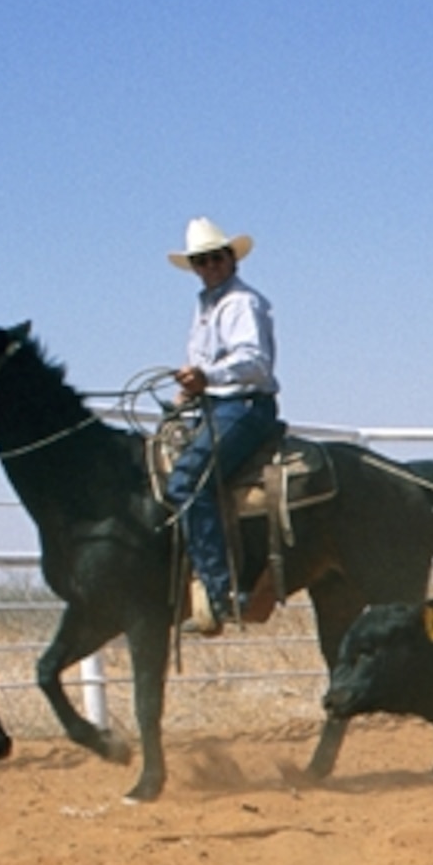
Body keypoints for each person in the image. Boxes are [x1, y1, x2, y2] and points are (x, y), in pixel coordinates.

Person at [163, 218, 280, 634]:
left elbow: (255, 362)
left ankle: (221, 592)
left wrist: (205, 378)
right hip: (215, 407)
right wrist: (188, 394)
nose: (210, 265)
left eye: (216, 257)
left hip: (246, 407)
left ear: (232, 259)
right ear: (194, 266)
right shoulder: (206, 306)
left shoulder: (241, 303)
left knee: (188, 482)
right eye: (201, 260)